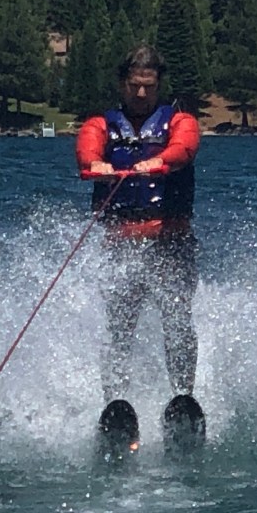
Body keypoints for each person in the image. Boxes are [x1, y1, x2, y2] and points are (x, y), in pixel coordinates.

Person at [75, 43, 201, 408]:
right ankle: (114, 402)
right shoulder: (100, 125)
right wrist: (95, 164)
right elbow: (87, 148)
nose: (141, 93)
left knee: (177, 320)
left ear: (159, 86)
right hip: (122, 245)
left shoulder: (180, 122)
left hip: (170, 242)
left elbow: (185, 147)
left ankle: (183, 396)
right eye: (134, 85)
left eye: (149, 86)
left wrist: (161, 161)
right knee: (119, 327)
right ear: (122, 84)